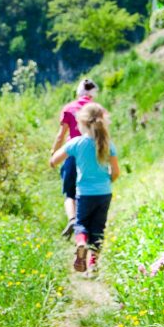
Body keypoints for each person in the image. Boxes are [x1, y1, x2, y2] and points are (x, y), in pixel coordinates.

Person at [49, 103, 119, 273]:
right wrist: (108, 180)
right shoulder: (107, 144)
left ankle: (81, 243)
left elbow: (55, 160)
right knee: (98, 228)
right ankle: (93, 263)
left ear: (81, 123)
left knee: (81, 224)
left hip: (84, 193)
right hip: (104, 193)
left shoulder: (76, 143)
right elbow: (116, 172)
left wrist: (51, 160)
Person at [50, 78, 99, 238]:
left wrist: (54, 153)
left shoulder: (69, 108)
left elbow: (60, 136)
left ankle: (72, 219)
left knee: (70, 193)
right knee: (90, 190)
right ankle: (89, 225)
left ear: (78, 92)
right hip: (93, 155)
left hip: (72, 153)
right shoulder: (97, 110)